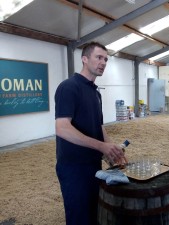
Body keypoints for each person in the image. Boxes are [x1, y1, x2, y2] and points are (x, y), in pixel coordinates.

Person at [55, 42, 125, 225]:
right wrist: (101, 146)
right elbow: (62, 127)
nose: (103, 62)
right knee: (79, 218)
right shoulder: (69, 87)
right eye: (98, 57)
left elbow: (99, 126)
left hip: (93, 166)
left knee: (94, 215)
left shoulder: (95, 93)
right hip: (73, 168)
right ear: (84, 59)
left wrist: (110, 150)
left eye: (106, 59)